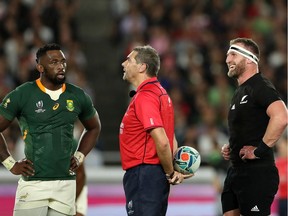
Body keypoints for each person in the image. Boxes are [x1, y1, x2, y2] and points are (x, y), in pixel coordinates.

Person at [0, 43, 101, 216]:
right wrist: (10, 164)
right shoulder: (23, 94)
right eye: (54, 62)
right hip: (33, 184)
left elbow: (94, 127)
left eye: (63, 61)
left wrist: (79, 155)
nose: (61, 66)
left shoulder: (77, 95)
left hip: (66, 184)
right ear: (40, 67)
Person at [119, 45, 193, 216]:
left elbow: (162, 141)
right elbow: (170, 136)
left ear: (142, 67)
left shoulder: (146, 96)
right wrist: (174, 169)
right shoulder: (161, 94)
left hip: (144, 175)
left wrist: (170, 172)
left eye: (129, 60)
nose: (124, 63)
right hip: (152, 175)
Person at [221, 38, 288, 216]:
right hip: (235, 171)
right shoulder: (240, 91)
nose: (228, 59)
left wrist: (259, 150)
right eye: (228, 54)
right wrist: (232, 146)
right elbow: (251, 125)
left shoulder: (260, 86)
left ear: (250, 59)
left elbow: (281, 117)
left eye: (233, 54)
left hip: (256, 173)